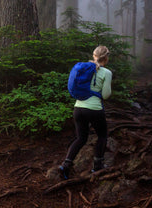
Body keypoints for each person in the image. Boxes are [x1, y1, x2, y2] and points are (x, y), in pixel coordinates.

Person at [59, 46, 113, 179]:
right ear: (106, 58)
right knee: (102, 136)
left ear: (94, 55)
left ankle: (65, 166)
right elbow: (106, 95)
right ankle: (98, 166)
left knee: (81, 138)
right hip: (94, 109)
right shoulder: (106, 72)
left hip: (78, 108)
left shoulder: (83, 68)